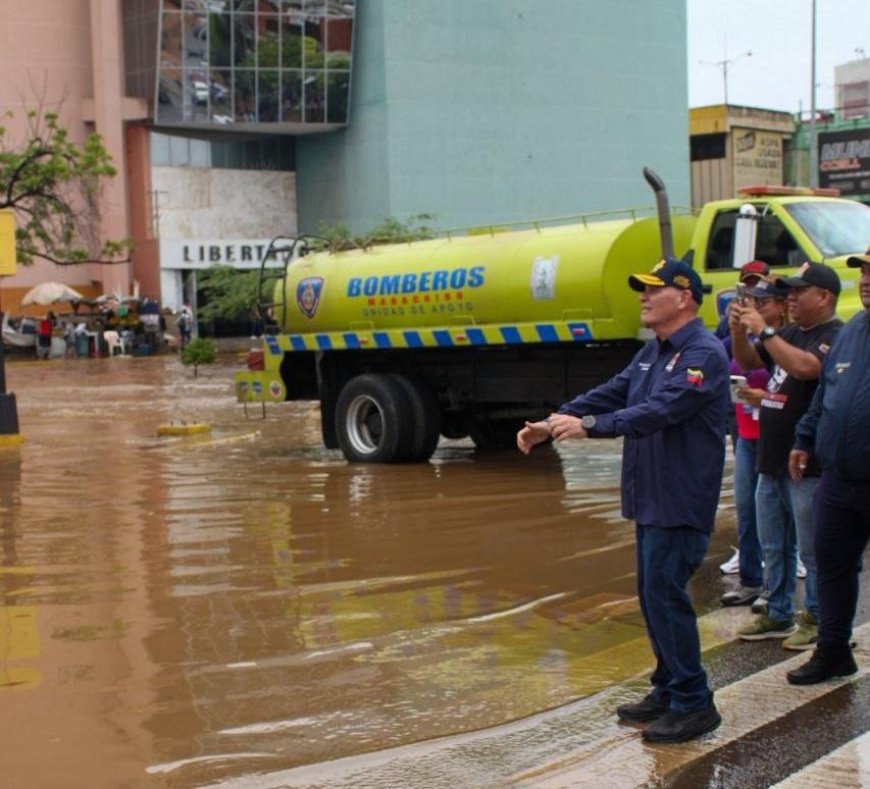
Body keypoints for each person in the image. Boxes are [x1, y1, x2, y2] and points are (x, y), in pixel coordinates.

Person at [517, 257, 729, 744]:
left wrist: (589, 428)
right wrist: (556, 421)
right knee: (652, 597)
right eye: (642, 289)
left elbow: (660, 410)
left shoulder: (702, 354)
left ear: (686, 297)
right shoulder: (653, 353)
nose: (644, 296)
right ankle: (668, 687)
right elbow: (612, 392)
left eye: (654, 289)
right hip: (650, 497)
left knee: (667, 598)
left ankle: (695, 703)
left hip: (679, 501)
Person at [730, 262, 842, 650]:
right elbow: (749, 361)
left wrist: (764, 329)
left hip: (808, 463)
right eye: (788, 292)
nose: (790, 298)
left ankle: (816, 617)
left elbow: (806, 368)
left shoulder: (833, 334)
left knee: (813, 549)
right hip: (771, 457)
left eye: (798, 292)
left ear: (824, 296)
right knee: (773, 544)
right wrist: (737, 328)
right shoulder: (790, 331)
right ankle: (777, 612)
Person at [786, 248, 870, 684]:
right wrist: (804, 437)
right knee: (832, 563)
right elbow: (826, 393)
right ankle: (834, 650)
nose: (867, 279)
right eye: (865, 271)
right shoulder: (854, 329)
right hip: (840, 478)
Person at [719, 277, 791, 608]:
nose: (756, 305)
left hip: (775, 437)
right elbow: (733, 362)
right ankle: (751, 580)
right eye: (753, 299)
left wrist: (765, 397)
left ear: (781, 304)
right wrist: (736, 330)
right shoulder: (752, 337)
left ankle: (778, 594)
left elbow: (798, 382)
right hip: (745, 434)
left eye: (763, 300)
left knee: (778, 523)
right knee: (747, 511)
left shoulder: (787, 340)